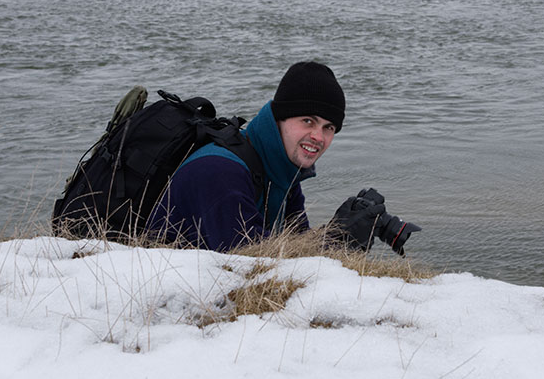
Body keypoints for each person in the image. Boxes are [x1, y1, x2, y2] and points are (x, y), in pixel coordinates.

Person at [145, 61, 385, 252]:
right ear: (279, 118)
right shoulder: (221, 172)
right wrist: (334, 240)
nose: (318, 137)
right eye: (308, 121)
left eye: (328, 127)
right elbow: (249, 260)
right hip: (164, 297)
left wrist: (345, 230)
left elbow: (296, 246)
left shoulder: (282, 172)